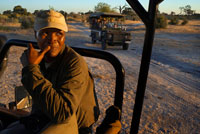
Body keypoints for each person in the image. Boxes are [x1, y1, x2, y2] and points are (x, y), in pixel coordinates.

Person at [0, 10, 99, 134]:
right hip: (46, 119)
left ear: (64, 35)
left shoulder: (74, 64)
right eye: (45, 33)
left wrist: (31, 69)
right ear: (35, 34)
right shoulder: (40, 59)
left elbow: (63, 113)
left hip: (74, 126)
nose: (52, 39)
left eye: (59, 33)